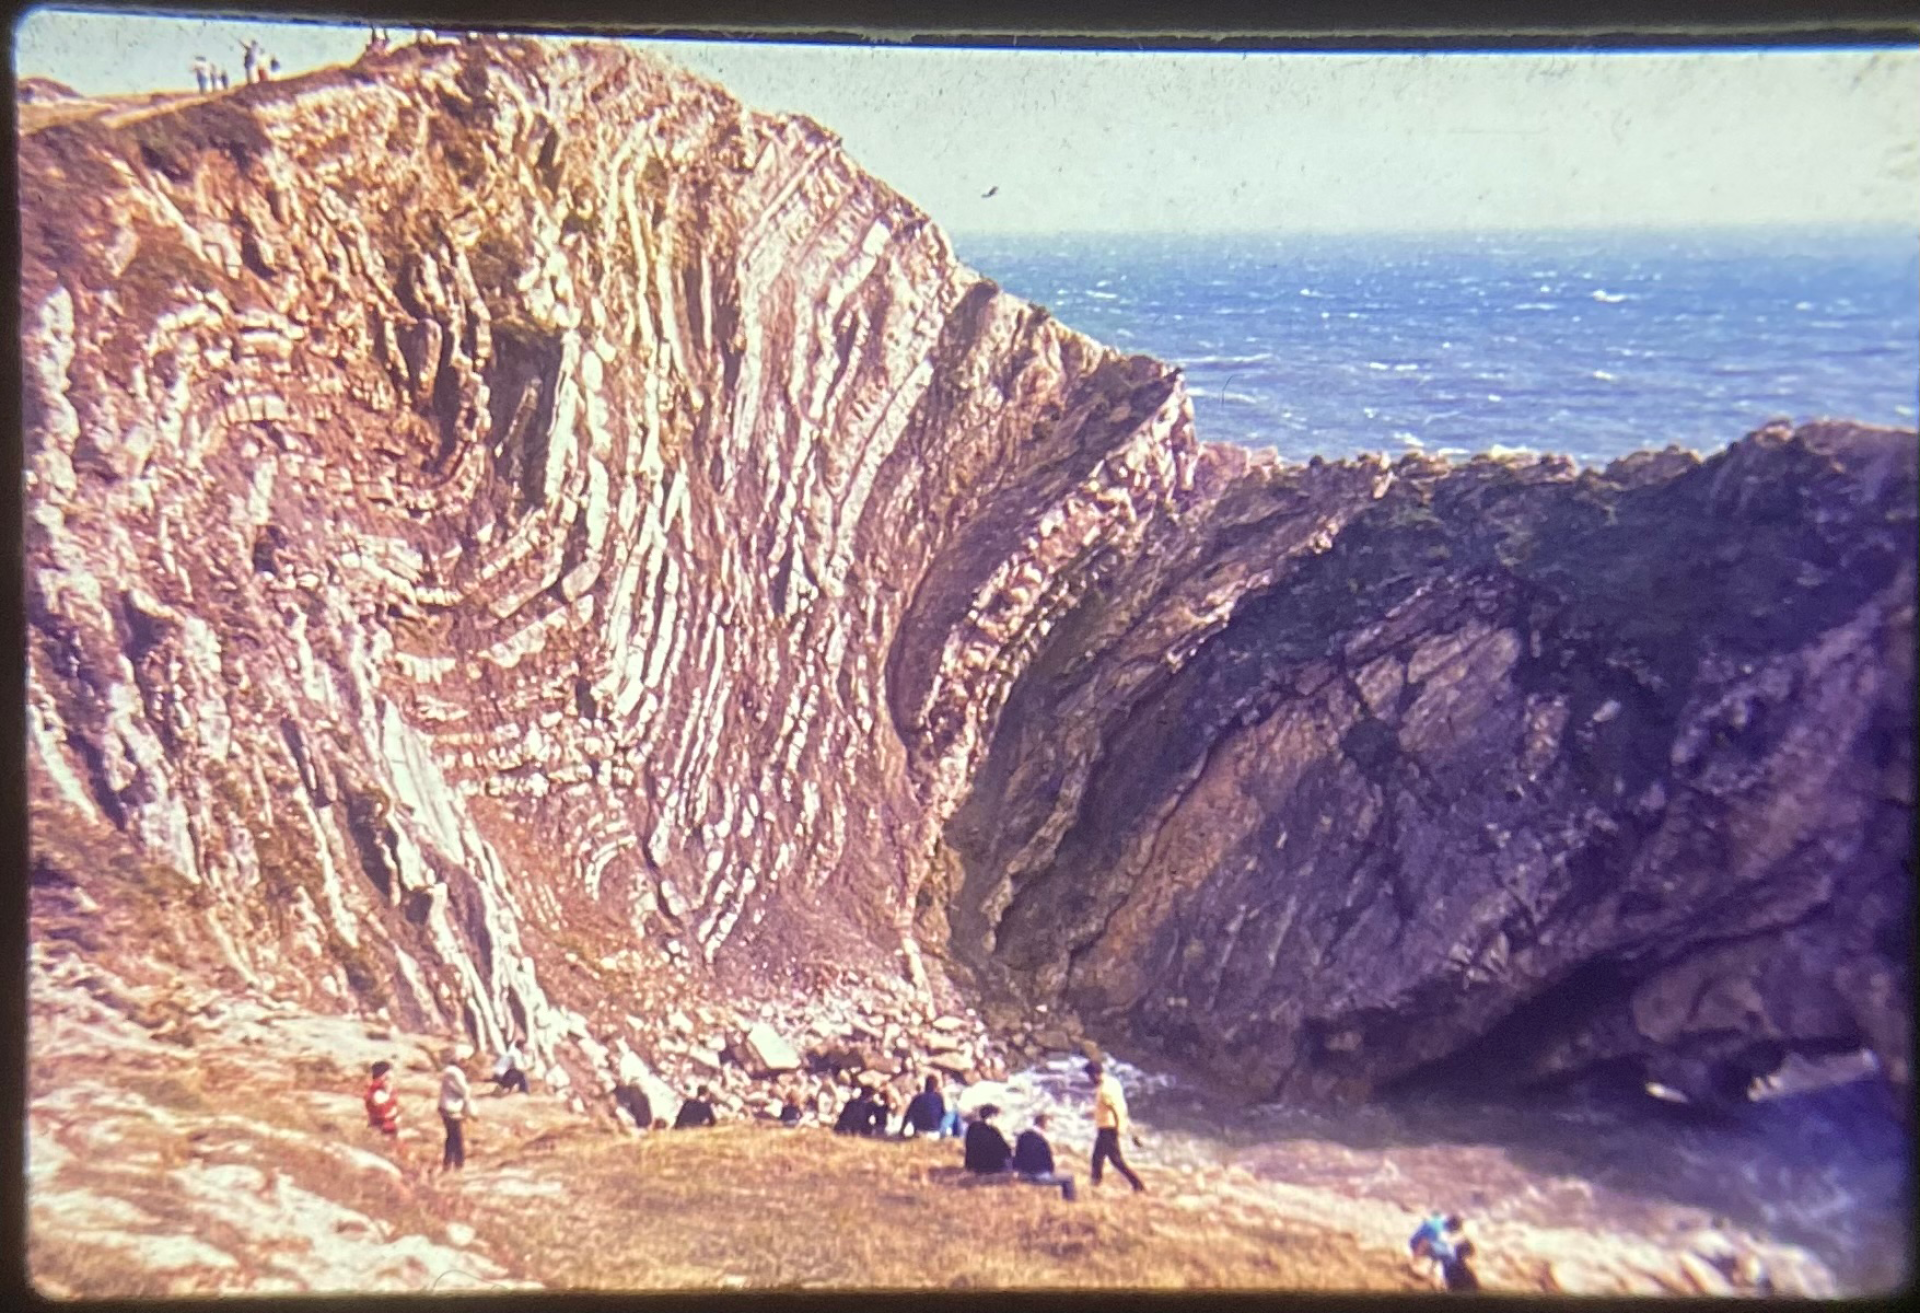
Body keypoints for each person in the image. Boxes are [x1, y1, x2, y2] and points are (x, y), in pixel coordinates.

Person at [1086, 1061, 1145, 1192]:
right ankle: (1095, 1182)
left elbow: (1116, 1108)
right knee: (1097, 1157)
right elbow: (1119, 1107)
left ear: (1095, 1075)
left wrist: (1120, 1127)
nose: (1090, 1080)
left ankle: (1138, 1185)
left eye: (1090, 1077)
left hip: (1109, 1128)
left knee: (1116, 1160)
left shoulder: (1106, 1089)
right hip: (1106, 1127)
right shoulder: (1112, 1083)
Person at [1013, 1112, 1077, 1201]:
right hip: (1038, 1175)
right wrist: (1055, 1165)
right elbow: (1049, 1164)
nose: (1049, 1127)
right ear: (1043, 1124)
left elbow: (1018, 1155)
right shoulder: (1042, 1140)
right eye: (1048, 1124)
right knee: (1069, 1177)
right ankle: (1070, 1204)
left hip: (1023, 1173)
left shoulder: (1023, 1136)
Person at [438, 1048, 476, 1172]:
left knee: (451, 1137)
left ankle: (448, 1163)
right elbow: (464, 1090)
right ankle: (459, 1164)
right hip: (451, 1108)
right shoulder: (454, 1073)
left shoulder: (450, 1071)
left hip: (446, 1106)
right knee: (457, 1137)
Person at [1408, 1212, 1468, 1288]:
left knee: (1444, 1248)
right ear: (1453, 1227)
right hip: (1417, 1244)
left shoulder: (1441, 1221)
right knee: (1449, 1255)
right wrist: (1415, 1262)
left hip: (1418, 1241)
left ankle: (1431, 1271)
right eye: (1455, 1230)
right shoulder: (1437, 1230)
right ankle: (1447, 1280)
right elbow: (1423, 1244)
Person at [963, 1103, 1013, 1174]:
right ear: (992, 1117)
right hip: (992, 1168)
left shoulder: (972, 1128)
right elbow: (1006, 1151)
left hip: (974, 1166)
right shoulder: (992, 1131)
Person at [364, 1060, 399, 1139]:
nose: (392, 1074)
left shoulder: (374, 1087)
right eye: (390, 1071)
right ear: (385, 1073)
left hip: (380, 1124)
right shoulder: (380, 1087)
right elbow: (379, 1104)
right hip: (385, 1126)